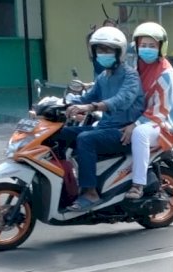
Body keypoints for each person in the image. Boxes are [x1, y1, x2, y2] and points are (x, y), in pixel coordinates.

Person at [60, 26, 145, 211]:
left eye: (107, 50)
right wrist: (60, 103)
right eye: (99, 50)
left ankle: (90, 192)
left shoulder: (130, 76)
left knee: (85, 139)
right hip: (105, 127)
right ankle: (65, 185)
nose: (102, 54)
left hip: (123, 132)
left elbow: (121, 100)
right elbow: (86, 98)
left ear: (118, 52)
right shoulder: (103, 77)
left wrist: (91, 107)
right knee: (63, 133)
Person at [121, 22, 173, 200]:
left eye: (152, 46)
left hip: (163, 125)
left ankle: (138, 185)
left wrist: (135, 124)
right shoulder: (137, 65)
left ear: (161, 48)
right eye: (143, 45)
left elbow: (160, 111)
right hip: (140, 116)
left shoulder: (166, 74)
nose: (146, 49)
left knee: (139, 134)